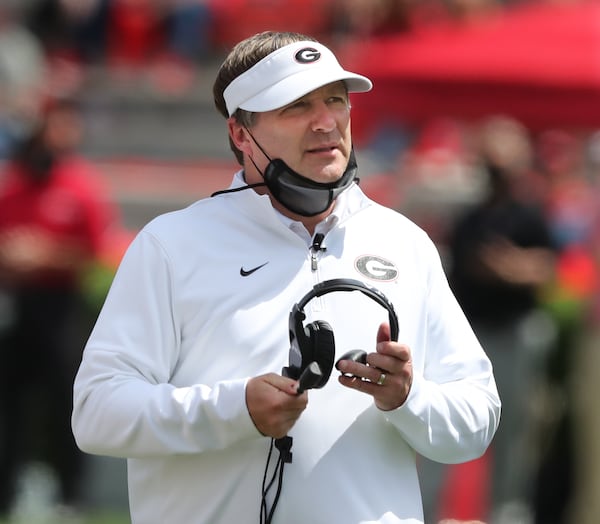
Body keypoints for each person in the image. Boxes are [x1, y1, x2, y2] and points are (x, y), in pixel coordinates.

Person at [71, 31, 500, 524]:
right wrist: (234, 411)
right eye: (295, 106)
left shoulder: (404, 242)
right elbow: (97, 412)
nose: (326, 122)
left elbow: (477, 420)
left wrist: (409, 396)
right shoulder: (171, 244)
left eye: (336, 101)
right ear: (239, 133)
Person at [0, 97, 120, 517]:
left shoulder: (81, 185)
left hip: (61, 307)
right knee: (9, 408)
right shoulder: (10, 182)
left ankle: (71, 495)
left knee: (64, 403)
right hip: (13, 305)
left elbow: (99, 254)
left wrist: (46, 255)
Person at [447, 117, 557, 523]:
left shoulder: (530, 215)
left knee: (514, 432)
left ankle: (508, 513)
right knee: (456, 422)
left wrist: (510, 267)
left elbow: (546, 267)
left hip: (516, 331)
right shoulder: (471, 218)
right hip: (474, 332)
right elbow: (461, 270)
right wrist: (504, 267)